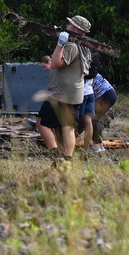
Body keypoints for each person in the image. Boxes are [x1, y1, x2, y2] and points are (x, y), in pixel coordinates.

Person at [37, 15, 92, 162]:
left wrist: (61, 44)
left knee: (41, 122)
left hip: (60, 94)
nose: (67, 26)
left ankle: (56, 155)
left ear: (76, 29)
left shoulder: (72, 46)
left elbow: (55, 63)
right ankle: (67, 158)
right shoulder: (83, 46)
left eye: (70, 24)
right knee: (68, 127)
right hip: (73, 94)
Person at [90, 71, 117, 153]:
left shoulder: (86, 73)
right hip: (109, 93)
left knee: (93, 119)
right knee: (94, 119)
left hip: (105, 94)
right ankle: (99, 144)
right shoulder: (90, 70)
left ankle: (97, 145)